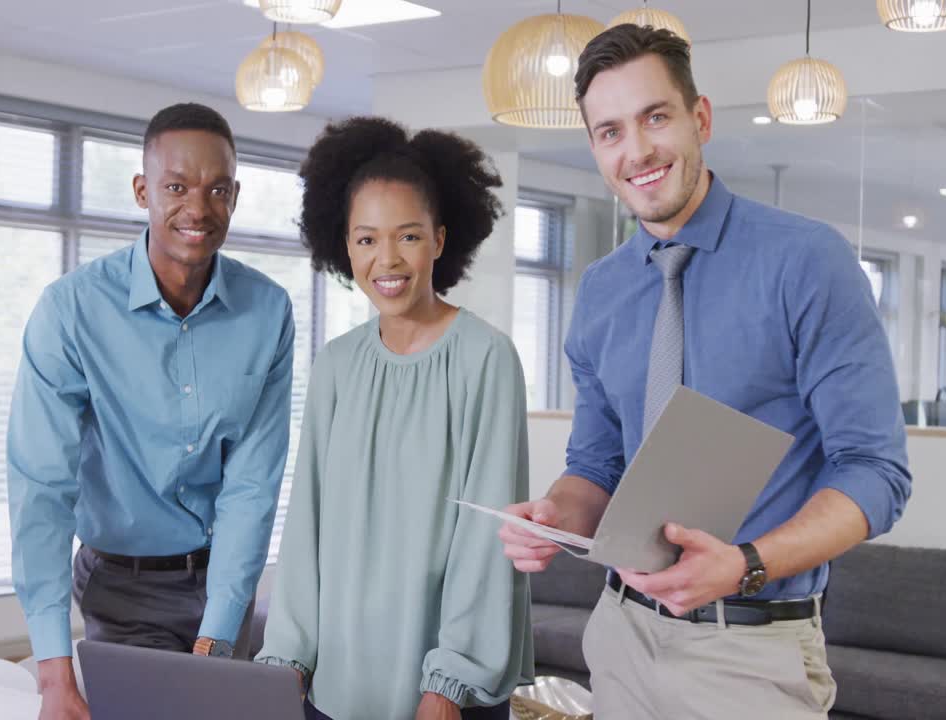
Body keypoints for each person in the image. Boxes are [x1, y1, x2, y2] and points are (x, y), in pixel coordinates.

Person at [497, 25, 912, 720]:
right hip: (622, 637)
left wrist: (745, 562)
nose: (636, 151)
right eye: (610, 132)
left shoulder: (807, 261)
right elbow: (596, 466)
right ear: (596, 147)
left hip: (750, 649)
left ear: (701, 119)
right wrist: (553, 518)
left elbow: (875, 471)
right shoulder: (599, 291)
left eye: (655, 117)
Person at [7, 103, 295, 720]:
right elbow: (42, 489)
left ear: (235, 196)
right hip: (123, 588)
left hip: (225, 583)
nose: (198, 208)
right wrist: (53, 671)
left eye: (217, 189)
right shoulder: (72, 311)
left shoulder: (268, 311)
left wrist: (219, 634)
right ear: (143, 191)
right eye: (177, 187)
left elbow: (252, 486)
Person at [255, 117, 534, 720]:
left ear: (439, 240)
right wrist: (287, 658)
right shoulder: (336, 364)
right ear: (345, 246)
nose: (387, 259)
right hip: (336, 684)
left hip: (441, 692)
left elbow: (487, 534)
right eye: (366, 239)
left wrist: (449, 680)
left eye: (408, 236)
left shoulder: (486, 358)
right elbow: (307, 522)